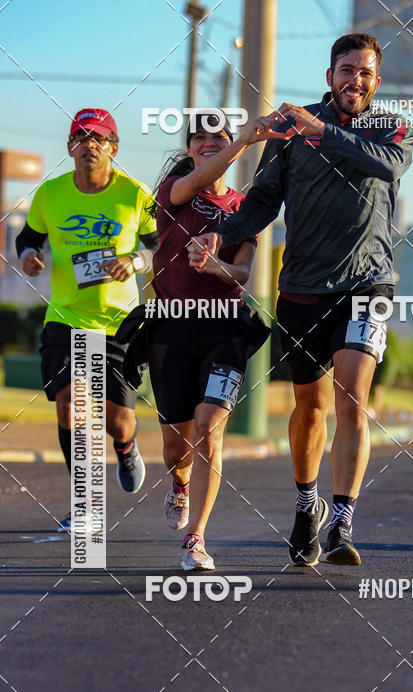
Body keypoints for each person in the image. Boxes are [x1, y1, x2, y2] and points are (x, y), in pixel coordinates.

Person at [189, 32, 413, 567]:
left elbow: (387, 166)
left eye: (364, 71)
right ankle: (305, 502)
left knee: (352, 394)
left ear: (376, 81)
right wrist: (224, 233)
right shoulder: (290, 133)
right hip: (302, 288)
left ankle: (342, 517)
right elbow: (264, 198)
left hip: (368, 282)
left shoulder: (393, 127)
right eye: (345, 69)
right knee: (309, 406)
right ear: (329, 75)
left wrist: (322, 130)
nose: (354, 79)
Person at [141, 111, 281, 570]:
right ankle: (179, 483)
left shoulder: (245, 208)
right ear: (188, 148)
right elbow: (203, 175)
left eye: (214, 136)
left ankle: (197, 540)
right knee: (174, 447)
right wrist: (241, 141)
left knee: (208, 428)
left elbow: (244, 270)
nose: (206, 143)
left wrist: (216, 267)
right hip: (171, 326)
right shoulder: (175, 194)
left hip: (225, 326)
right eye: (197, 138)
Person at [16, 108, 158, 531]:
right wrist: (27, 256)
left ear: (114, 148)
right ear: (70, 148)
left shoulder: (134, 194)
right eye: (81, 138)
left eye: (99, 138)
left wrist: (133, 260)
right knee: (70, 407)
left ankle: (127, 446)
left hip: (119, 324)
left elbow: (158, 249)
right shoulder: (51, 194)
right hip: (66, 318)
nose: (89, 145)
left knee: (117, 420)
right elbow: (28, 238)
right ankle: (85, 503)